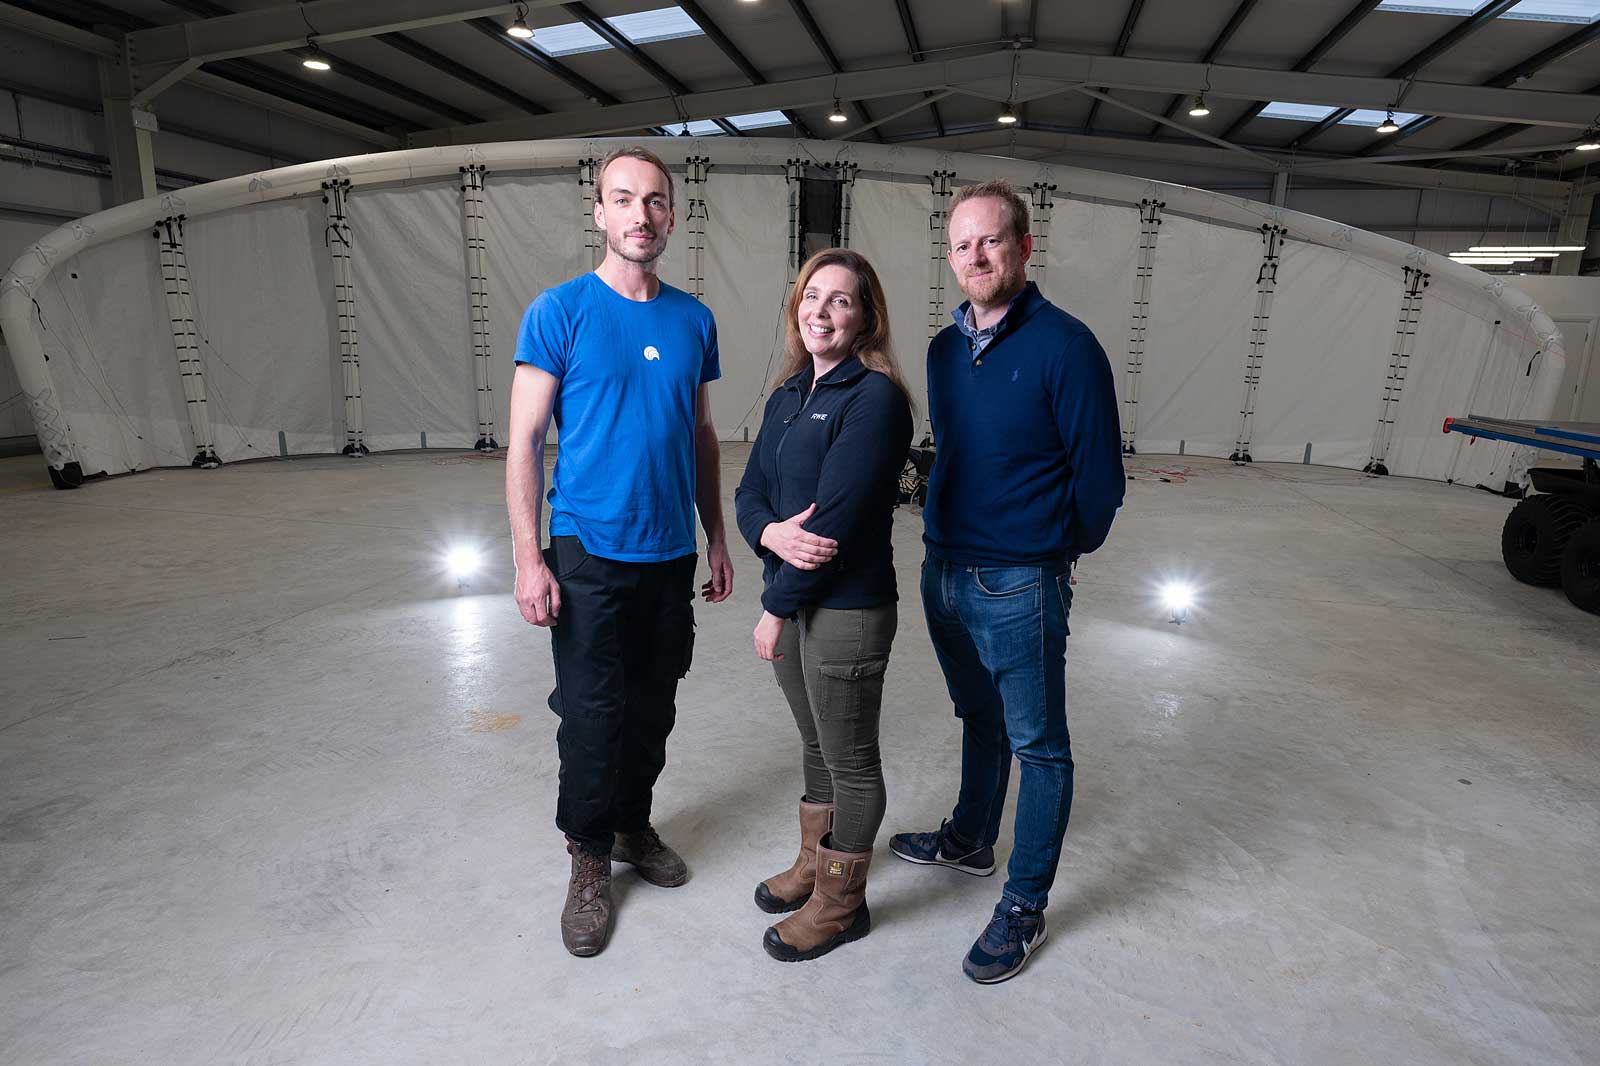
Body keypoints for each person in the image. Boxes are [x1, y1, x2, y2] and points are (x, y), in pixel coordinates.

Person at [887, 180, 1124, 984]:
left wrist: (1050, 554)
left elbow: (1101, 482)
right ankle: (970, 839)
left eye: (992, 241)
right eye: (962, 245)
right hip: (944, 570)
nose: (976, 256)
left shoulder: (1068, 346)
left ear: (1024, 247)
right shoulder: (942, 350)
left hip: (1019, 579)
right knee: (975, 717)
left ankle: (1023, 906)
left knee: (1040, 747)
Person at [505, 146, 734, 958]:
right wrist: (530, 558)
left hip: (668, 549)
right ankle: (588, 858)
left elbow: (701, 435)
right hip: (587, 548)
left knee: (654, 707)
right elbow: (526, 440)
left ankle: (634, 824)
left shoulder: (692, 320)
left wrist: (716, 537)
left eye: (657, 201)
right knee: (594, 716)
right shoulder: (559, 311)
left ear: (673, 216)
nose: (641, 214)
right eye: (624, 199)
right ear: (600, 214)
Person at [734, 249, 913, 963]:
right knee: (815, 748)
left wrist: (774, 607)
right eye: (813, 295)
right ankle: (814, 865)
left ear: (866, 317)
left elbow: (832, 523)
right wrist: (769, 531)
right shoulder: (787, 396)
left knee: (852, 762)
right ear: (796, 308)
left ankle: (842, 905)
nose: (822, 310)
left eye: (841, 300)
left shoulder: (876, 399)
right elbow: (749, 494)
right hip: (794, 597)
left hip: (847, 609)